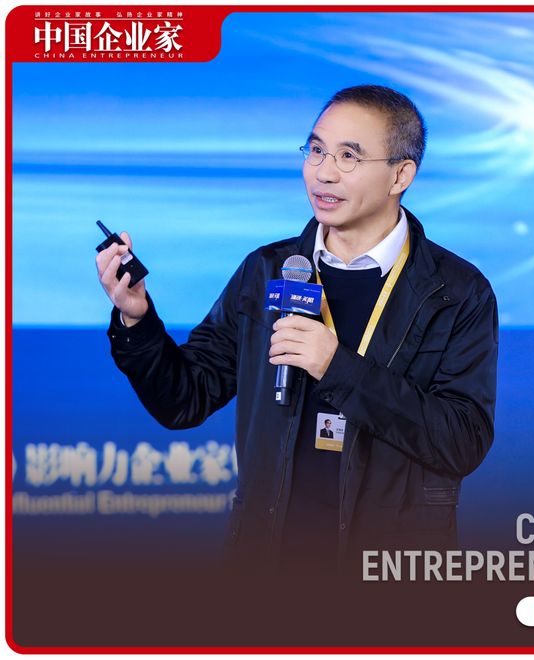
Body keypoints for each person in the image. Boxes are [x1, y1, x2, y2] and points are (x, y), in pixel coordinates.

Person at [96, 85, 498, 583]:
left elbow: (462, 441)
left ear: (401, 175)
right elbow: (184, 399)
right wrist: (137, 320)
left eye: (349, 157)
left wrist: (338, 368)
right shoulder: (268, 270)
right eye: (316, 150)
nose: (323, 172)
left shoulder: (454, 292)